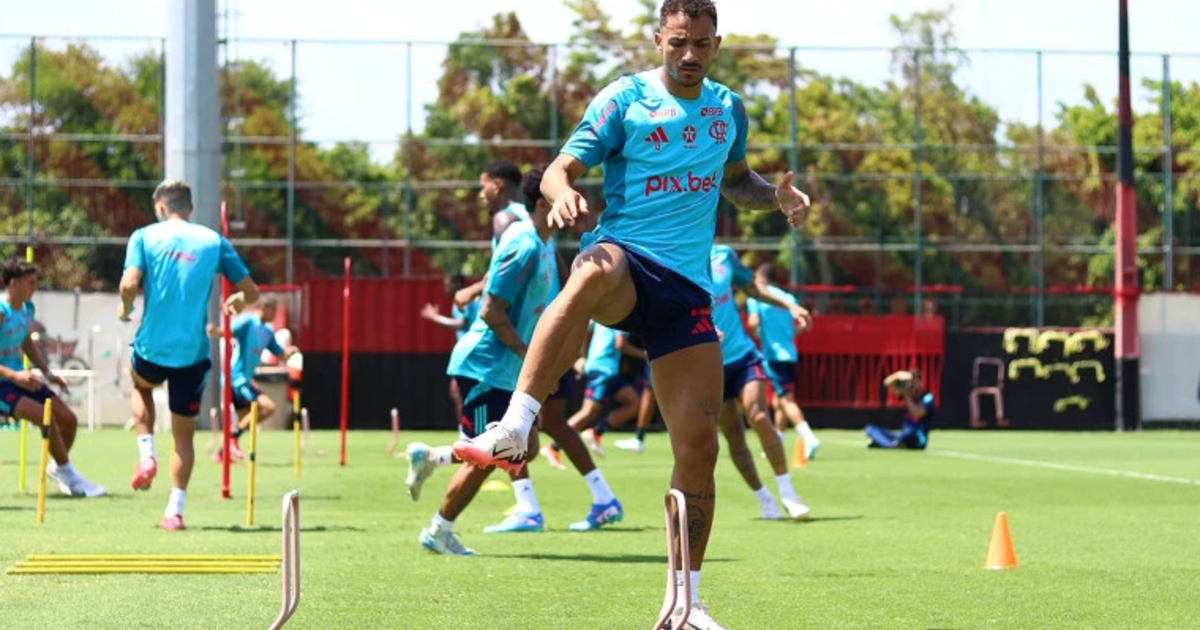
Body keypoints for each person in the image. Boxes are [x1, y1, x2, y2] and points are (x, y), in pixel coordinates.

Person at [453, 2, 810, 626]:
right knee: (590, 268)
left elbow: (738, 181)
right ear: (658, 40)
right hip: (628, 260)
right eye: (678, 42)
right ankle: (516, 423)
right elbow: (562, 171)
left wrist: (776, 198)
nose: (690, 54)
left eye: (701, 43)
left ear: (717, 43)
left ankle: (685, 603)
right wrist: (562, 195)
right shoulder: (624, 100)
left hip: (687, 293)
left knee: (699, 447)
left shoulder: (728, 109)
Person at [406, 165, 623, 554]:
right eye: (563, 195)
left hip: (506, 370)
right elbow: (491, 311)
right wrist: (532, 360)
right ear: (543, 203)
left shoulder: (543, 244)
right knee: (488, 455)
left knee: (526, 448)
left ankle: (433, 458)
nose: (573, 203)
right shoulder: (523, 243)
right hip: (486, 368)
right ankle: (438, 531)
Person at [119, 179, 259, 530]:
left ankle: (147, 454)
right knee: (184, 436)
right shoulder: (212, 240)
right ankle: (175, 511)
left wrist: (125, 308)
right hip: (192, 355)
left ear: (160, 208)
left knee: (140, 387)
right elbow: (251, 292)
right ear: (191, 208)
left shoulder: (144, 236)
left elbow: (128, 284)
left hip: (152, 347)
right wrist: (237, 300)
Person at [709, 245, 811, 521]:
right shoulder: (675, 258)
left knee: (757, 413)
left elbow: (753, 288)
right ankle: (763, 497)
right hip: (707, 365)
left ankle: (788, 492)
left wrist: (790, 306)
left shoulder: (724, 255)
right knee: (732, 434)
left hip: (742, 355)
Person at [0, 258, 105, 497]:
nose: (35, 287)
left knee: (68, 419)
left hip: (21, 378)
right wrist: (14, 375)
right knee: (43, 417)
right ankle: (73, 478)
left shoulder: (27, 309)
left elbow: (25, 341)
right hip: (4, 383)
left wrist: (48, 373)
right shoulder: (1, 312)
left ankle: (59, 469)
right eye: (31, 282)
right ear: (13, 283)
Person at [542, 322, 646, 466]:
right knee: (588, 412)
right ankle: (553, 447)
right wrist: (644, 354)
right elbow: (620, 344)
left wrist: (582, 357)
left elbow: (583, 327)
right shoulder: (619, 314)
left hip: (609, 370)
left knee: (634, 403)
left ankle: (596, 432)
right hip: (602, 369)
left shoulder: (604, 312)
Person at [744, 262, 820, 459]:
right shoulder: (788, 298)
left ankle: (809, 437)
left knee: (786, 400)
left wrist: (760, 336)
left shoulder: (757, 297)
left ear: (760, 277)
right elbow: (801, 326)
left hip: (773, 355)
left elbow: (752, 323)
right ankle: (776, 442)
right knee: (779, 401)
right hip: (790, 354)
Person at [215, 295, 298, 462]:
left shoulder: (267, 332)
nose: (275, 314)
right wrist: (215, 331)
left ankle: (222, 453)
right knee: (268, 407)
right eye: (273, 309)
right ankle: (231, 438)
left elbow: (280, 354)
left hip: (245, 379)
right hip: (236, 378)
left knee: (245, 419)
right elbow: (227, 331)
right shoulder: (248, 322)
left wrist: (289, 353)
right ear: (263, 307)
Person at [420, 272, 480, 422]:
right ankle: (466, 431)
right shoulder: (462, 300)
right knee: (457, 392)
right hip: (467, 354)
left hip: (471, 354)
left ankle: (468, 433)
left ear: (458, 284)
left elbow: (461, 323)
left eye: (448, 285)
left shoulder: (464, 300)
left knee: (459, 391)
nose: (445, 289)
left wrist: (435, 317)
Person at [866, 369, 934, 449]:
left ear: (920, 382)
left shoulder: (927, 397)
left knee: (908, 436)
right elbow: (886, 383)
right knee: (870, 429)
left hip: (917, 438)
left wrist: (907, 396)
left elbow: (918, 413)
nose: (912, 385)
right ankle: (893, 444)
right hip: (903, 436)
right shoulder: (907, 394)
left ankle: (885, 443)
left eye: (914, 381)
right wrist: (898, 375)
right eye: (910, 382)